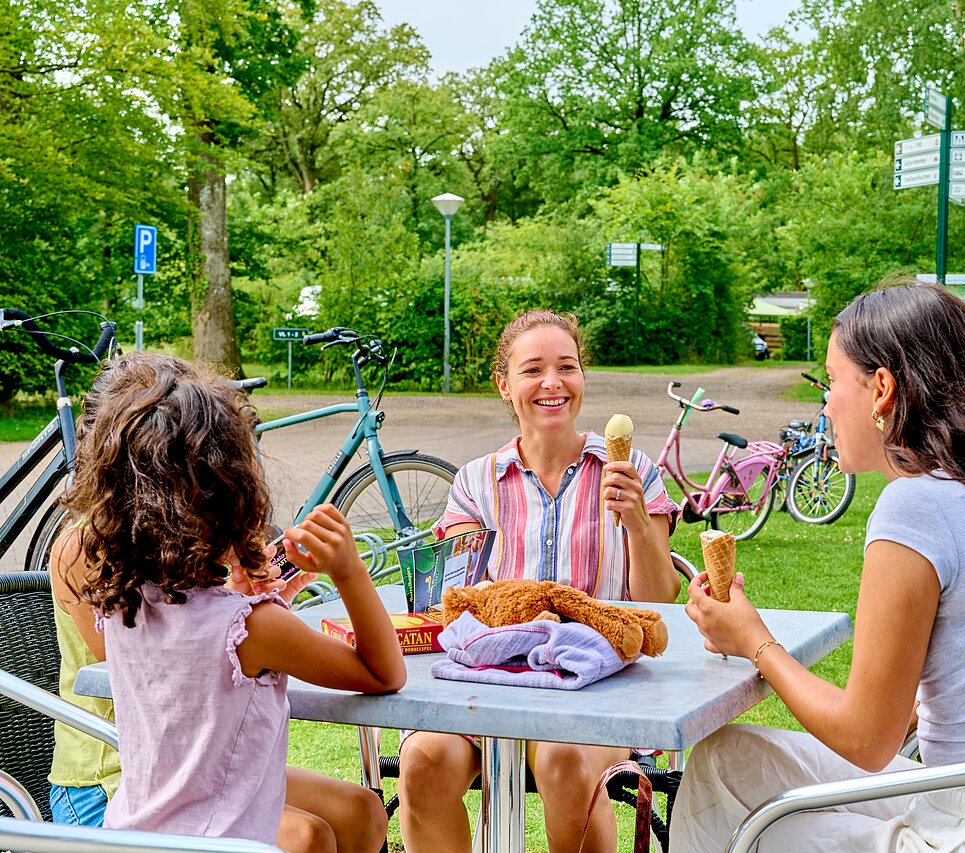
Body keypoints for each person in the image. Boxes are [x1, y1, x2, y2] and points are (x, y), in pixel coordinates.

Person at [671, 281, 965, 853]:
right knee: (726, 759)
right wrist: (942, 700)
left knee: (738, 822)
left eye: (833, 381)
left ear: (881, 389)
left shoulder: (916, 504)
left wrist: (754, 640)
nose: (826, 405)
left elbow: (866, 740)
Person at [59, 353, 406, 851]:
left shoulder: (124, 605)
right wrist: (349, 572)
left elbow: (201, 652)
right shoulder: (255, 629)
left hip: (141, 838)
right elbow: (383, 674)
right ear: (236, 492)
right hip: (227, 843)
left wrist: (259, 597)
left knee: (352, 812)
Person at [398, 310, 680, 853]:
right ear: (504, 385)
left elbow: (655, 601)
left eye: (566, 367)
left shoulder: (632, 468)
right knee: (424, 759)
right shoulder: (476, 481)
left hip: (599, 682)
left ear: (582, 378)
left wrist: (640, 523)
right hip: (495, 677)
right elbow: (452, 596)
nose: (552, 383)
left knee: (563, 757)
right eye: (533, 370)